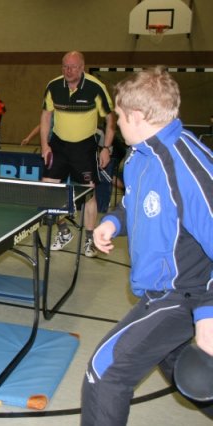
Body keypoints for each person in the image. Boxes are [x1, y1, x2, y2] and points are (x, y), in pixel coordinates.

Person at [81, 66, 213, 425]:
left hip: (185, 295)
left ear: (137, 116)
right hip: (160, 289)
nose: (116, 122)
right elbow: (135, 205)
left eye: (119, 116)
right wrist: (113, 222)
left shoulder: (187, 167)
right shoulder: (139, 157)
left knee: (105, 373)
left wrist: (207, 313)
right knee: (179, 365)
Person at [40, 50, 116, 257]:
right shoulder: (53, 86)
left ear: (82, 68)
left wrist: (106, 148)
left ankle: (90, 239)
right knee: (48, 190)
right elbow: (46, 116)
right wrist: (45, 145)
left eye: (73, 67)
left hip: (84, 147)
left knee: (88, 194)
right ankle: (64, 231)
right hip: (58, 145)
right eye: (65, 66)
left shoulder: (95, 87)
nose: (69, 70)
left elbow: (110, 119)